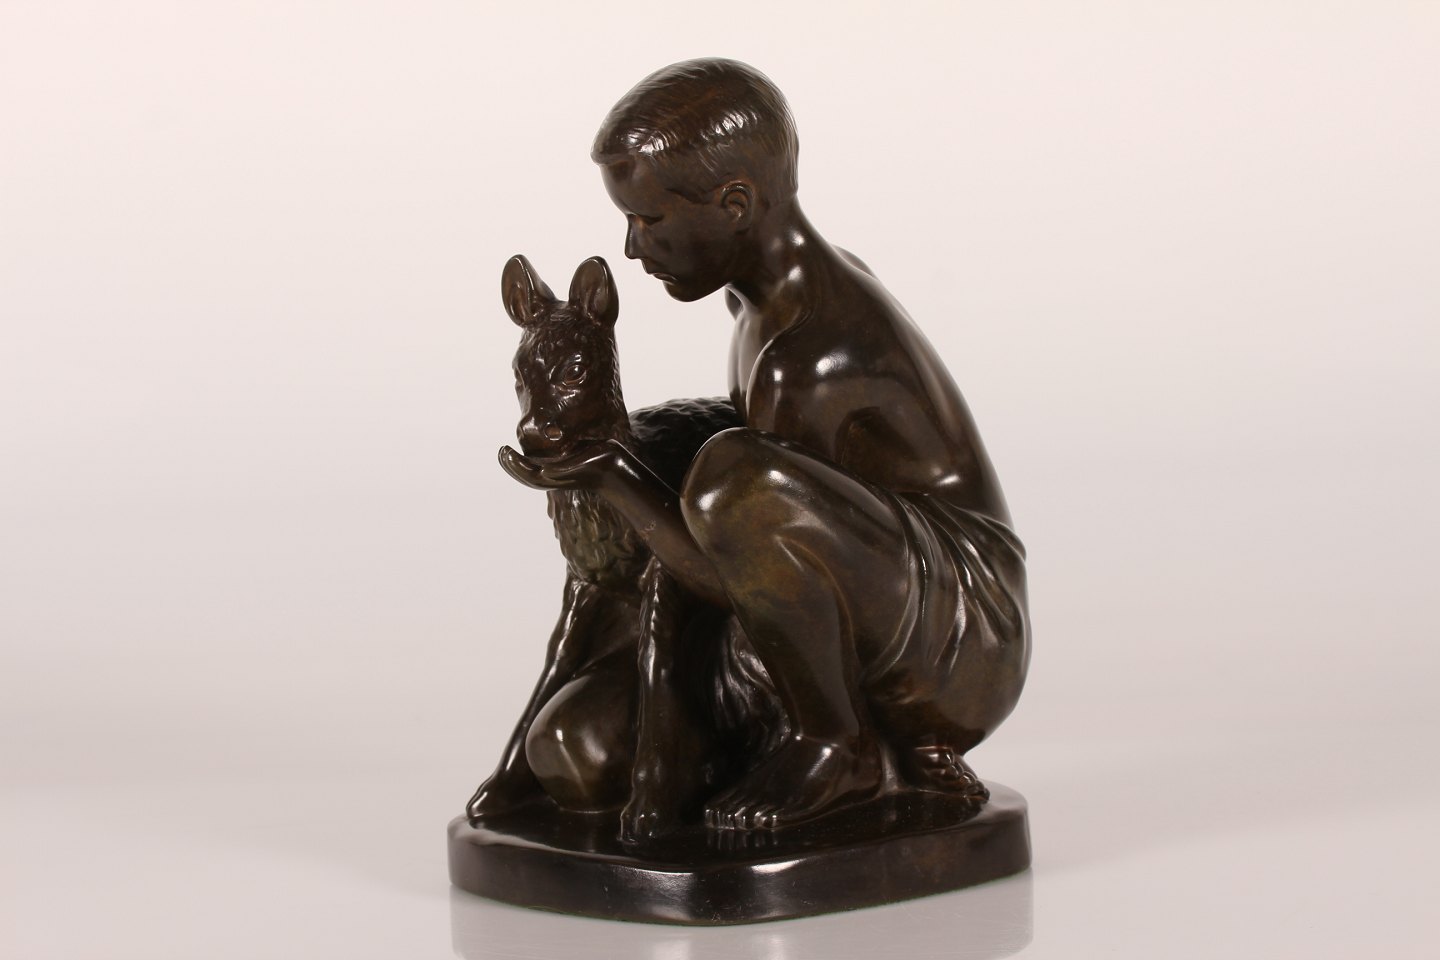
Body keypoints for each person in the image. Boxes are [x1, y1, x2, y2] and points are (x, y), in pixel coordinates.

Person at [501, 58, 1030, 831]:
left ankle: (837, 745)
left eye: (649, 220)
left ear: (735, 205)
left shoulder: (807, 354)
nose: (633, 248)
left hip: (960, 637)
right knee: (580, 747)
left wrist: (611, 472)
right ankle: (755, 737)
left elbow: (739, 555)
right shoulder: (768, 300)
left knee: (731, 476)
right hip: (871, 594)